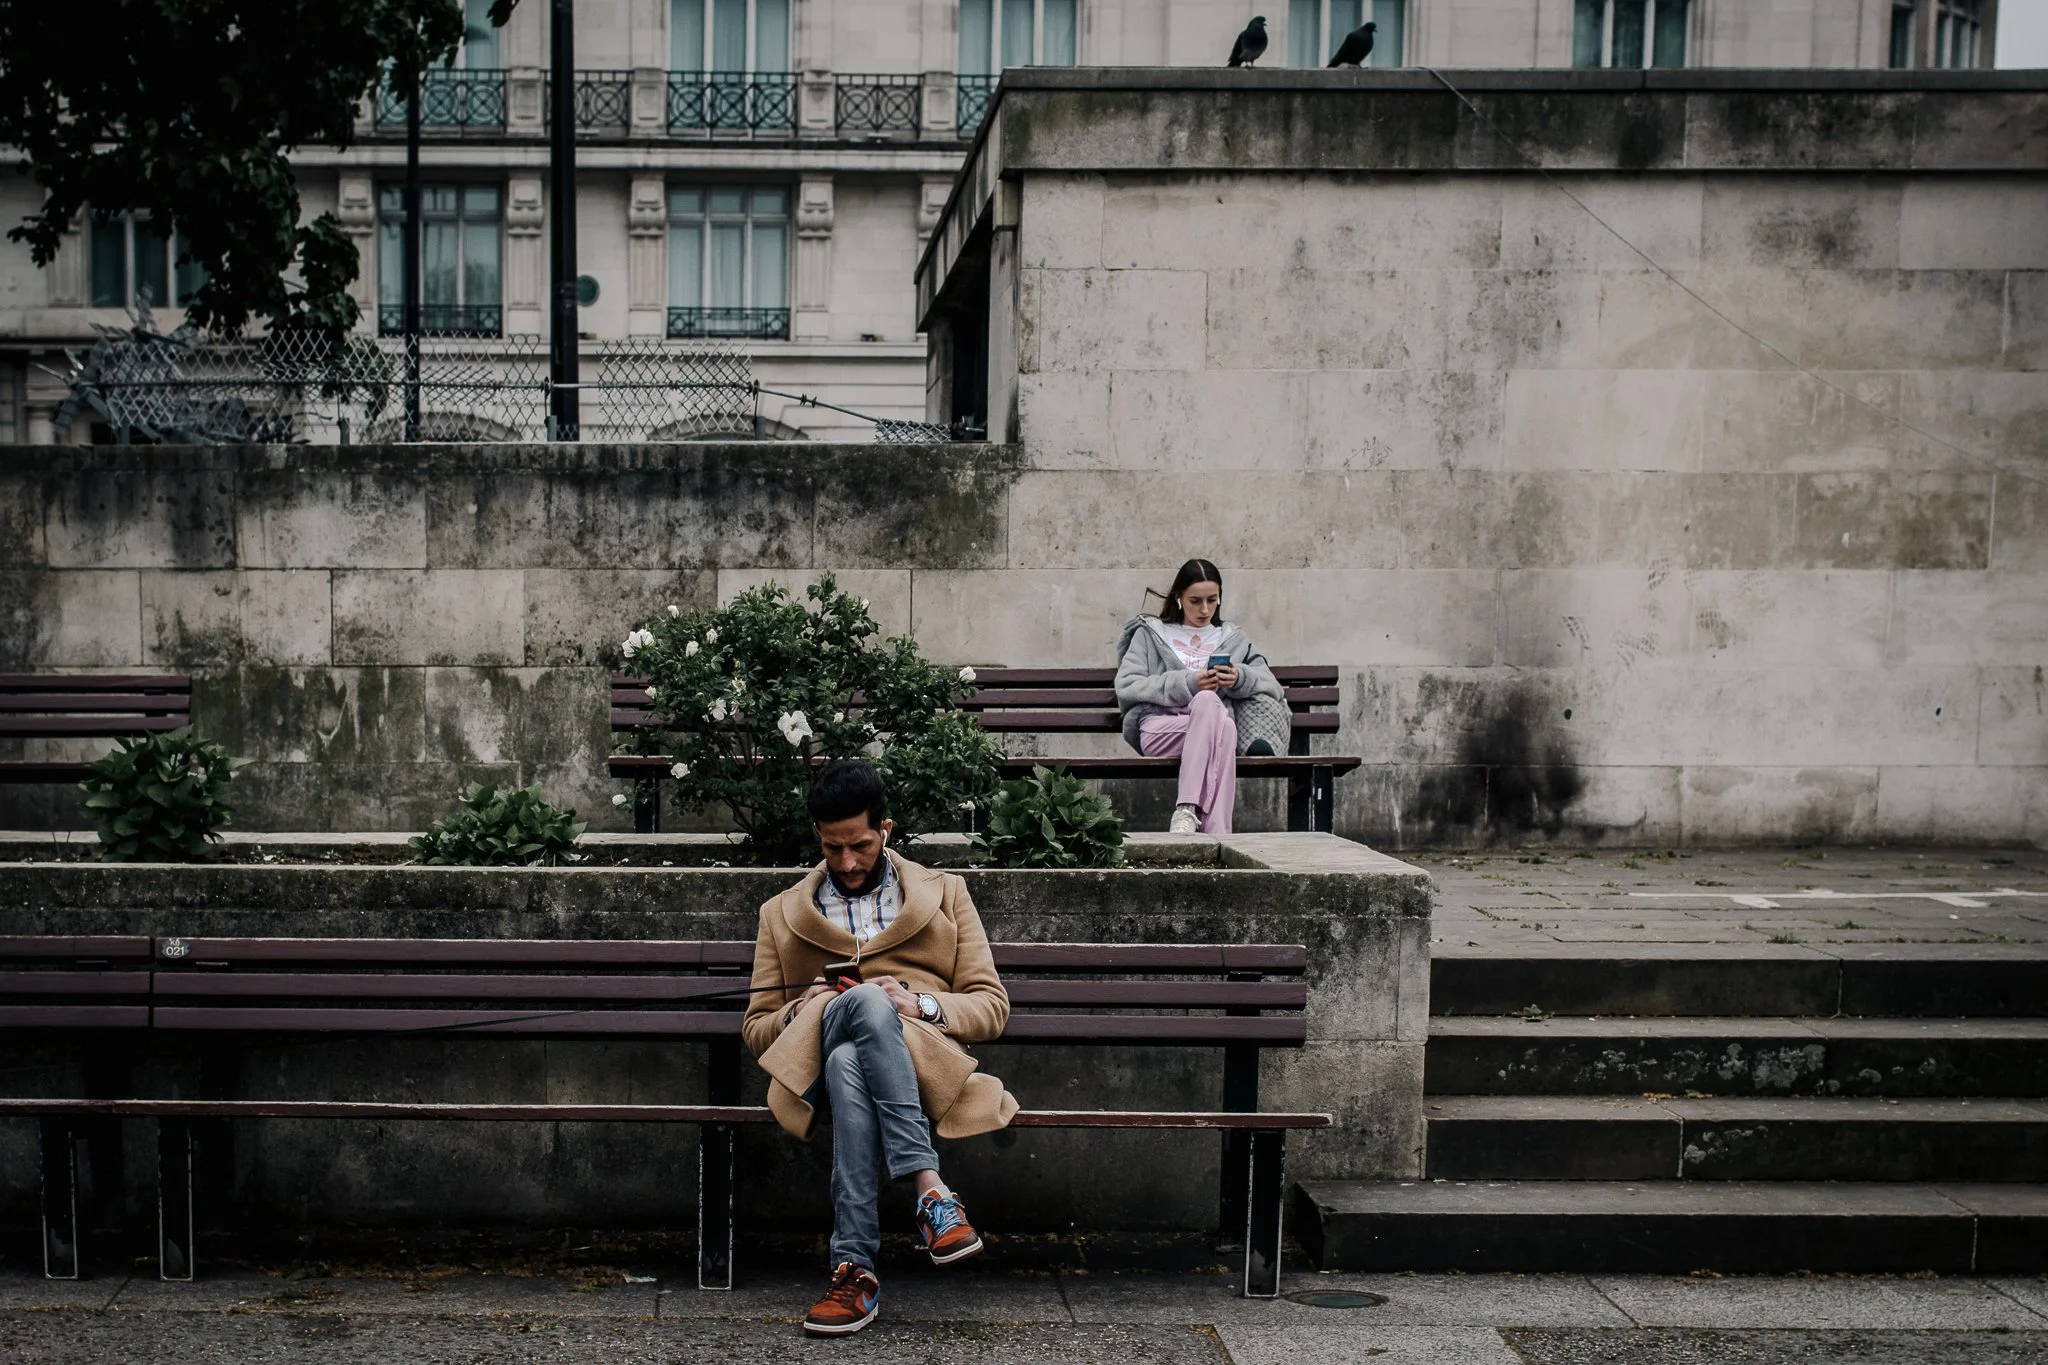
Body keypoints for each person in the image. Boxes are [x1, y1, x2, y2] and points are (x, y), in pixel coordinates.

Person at [742, 759, 1017, 1337]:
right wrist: (804, 1005)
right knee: (857, 1014)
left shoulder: (946, 895)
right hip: (813, 1064)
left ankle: (854, 1273)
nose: (846, 863)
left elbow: (992, 1007)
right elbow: (758, 1029)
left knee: (854, 1055)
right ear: (818, 838)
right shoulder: (781, 914)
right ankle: (930, 1191)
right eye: (832, 848)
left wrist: (918, 1004)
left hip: (921, 1067)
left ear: (885, 829)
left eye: (860, 846)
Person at [1113, 558, 1288, 835]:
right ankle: (1190, 810)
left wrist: (1238, 678)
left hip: (1211, 729)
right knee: (1211, 707)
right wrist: (1189, 682)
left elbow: (1272, 685)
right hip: (1160, 728)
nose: (1205, 609)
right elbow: (1127, 686)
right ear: (1179, 598)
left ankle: (1213, 832)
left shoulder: (1232, 637)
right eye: (1195, 600)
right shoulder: (1151, 634)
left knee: (1225, 724)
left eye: (1212, 600)